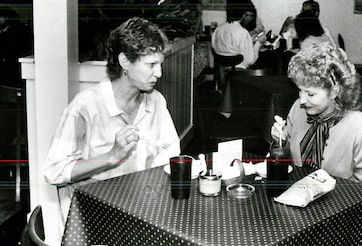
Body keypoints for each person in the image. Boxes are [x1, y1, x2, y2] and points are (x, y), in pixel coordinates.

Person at [44, 17, 181, 221]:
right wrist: (111, 157)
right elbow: (54, 172)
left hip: (140, 211)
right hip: (92, 219)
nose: (159, 73)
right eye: (151, 64)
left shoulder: (156, 102)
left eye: (160, 64)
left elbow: (171, 155)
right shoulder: (85, 107)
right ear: (124, 61)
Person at [271, 43, 362, 188]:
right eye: (300, 90)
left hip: (342, 206)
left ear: (335, 91)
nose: (302, 100)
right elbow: (289, 163)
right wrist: (281, 141)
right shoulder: (298, 110)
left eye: (310, 94)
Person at [211, 0, 266, 69]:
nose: (250, 19)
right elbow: (250, 61)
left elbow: (226, 48)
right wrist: (259, 43)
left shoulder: (218, 29)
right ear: (244, 14)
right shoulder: (242, 32)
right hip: (240, 74)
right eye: (249, 15)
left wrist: (250, 40)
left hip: (222, 72)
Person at [0, 6, 32, 86]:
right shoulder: (17, 28)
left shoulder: (16, 31)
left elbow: (6, 50)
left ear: (6, 18)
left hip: (14, 71)